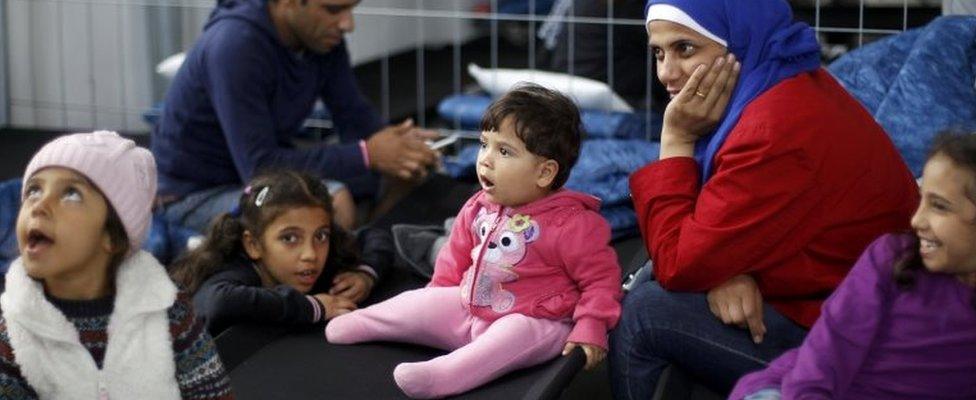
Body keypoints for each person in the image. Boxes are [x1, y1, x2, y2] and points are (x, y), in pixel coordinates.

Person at [609, 0, 921, 397]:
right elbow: (708, 234)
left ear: (739, 43)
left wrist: (676, 142)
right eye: (658, 52)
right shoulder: (780, 84)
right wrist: (722, 270)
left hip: (862, 348)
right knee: (654, 277)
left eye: (685, 49)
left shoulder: (772, 130)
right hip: (833, 305)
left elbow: (678, 261)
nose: (667, 73)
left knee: (644, 313)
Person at [325, 84, 622, 399]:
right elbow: (454, 257)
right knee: (419, 300)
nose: (485, 160)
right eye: (484, 145)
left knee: (513, 335)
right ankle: (363, 321)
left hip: (535, 322)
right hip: (471, 307)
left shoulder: (574, 224)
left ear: (545, 173)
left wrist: (591, 327)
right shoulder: (479, 205)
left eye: (504, 151)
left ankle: (442, 376)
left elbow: (602, 283)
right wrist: (434, 302)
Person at [152, 0, 439, 232]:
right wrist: (369, 154)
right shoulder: (234, 45)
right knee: (331, 203)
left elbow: (354, 115)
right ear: (288, 4)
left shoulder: (321, 39)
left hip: (254, 172)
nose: (347, 24)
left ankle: (363, 257)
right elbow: (260, 167)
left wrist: (399, 146)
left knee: (407, 171)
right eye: (333, 9)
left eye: (351, 9)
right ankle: (332, 280)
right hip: (195, 193)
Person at [730, 132, 976, 399]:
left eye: (939, 206)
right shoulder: (893, 257)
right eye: (921, 200)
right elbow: (827, 355)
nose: (917, 220)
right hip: (796, 389)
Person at [0, 131, 232, 399]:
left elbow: (213, 393)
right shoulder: (15, 330)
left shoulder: (166, 311)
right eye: (33, 190)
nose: (39, 205)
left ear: (112, 236)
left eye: (71, 194)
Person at [170, 170, 393, 335]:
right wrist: (312, 307)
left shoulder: (324, 251)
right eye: (289, 238)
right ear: (253, 245)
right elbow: (218, 302)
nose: (310, 254)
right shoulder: (236, 269)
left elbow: (375, 236)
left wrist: (365, 275)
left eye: (320, 235)